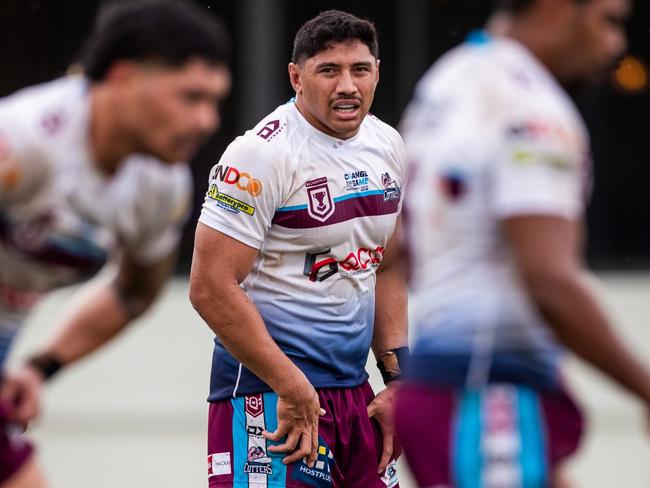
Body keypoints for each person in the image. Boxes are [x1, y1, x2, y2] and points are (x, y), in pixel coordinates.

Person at [395, 0, 648, 486]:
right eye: (609, 20)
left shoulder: (447, 81)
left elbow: (397, 246)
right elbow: (548, 279)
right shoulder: (530, 109)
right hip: (487, 389)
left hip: (444, 380)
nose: (617, 44)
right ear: (555, 8)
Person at [0, 0, 230, 486]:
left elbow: (133, 294)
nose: (208, 120)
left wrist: (41, 366)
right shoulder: (24, 141)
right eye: (190, 97)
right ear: (122, 79)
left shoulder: (159, 186)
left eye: (214, 100)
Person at [190, 9, 406, 488]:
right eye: (328, 71)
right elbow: (209, 287)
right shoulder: (261, 153)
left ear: (377, 72)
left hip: (354, 393)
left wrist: (398, 380)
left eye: (360, 70)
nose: (347, 85)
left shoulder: (387, 144)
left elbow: (387, 263)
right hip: (271, 395)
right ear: (296, 77)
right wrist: (291, 386)